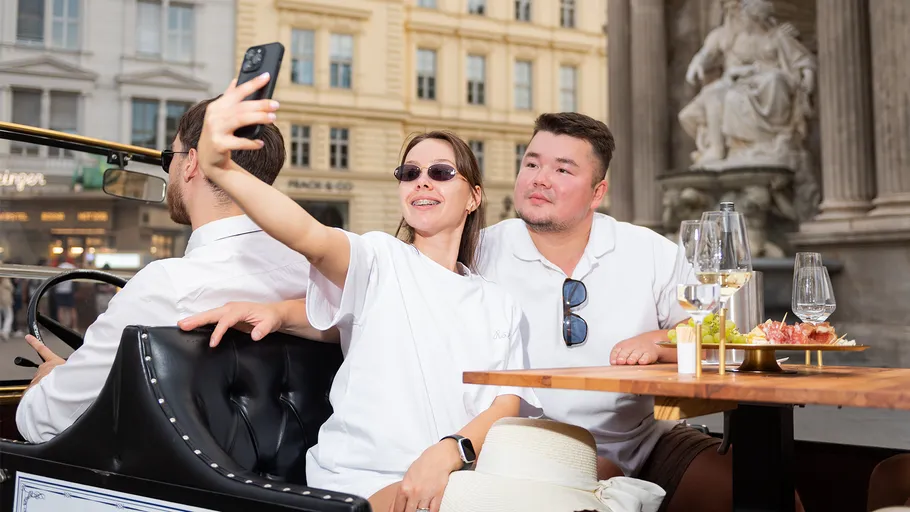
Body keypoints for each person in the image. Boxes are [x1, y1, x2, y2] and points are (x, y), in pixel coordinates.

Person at [181, 74, 540, 512]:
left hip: (461, 475)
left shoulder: (498, 302)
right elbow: (308, 236)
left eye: (441, 173)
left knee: (603, 476)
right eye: (409, 173)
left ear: (473, 197)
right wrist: (223, 170)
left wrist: (451, 451)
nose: (421, 182)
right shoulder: (380, 258)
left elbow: (509, 401)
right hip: (369, 478)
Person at [15, 97, 332, 444]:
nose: (168, 170)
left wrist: (49, 378)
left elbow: (42, 421)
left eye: (170, 158)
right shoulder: (317, 271)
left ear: (191, 163)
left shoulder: (168, 285)